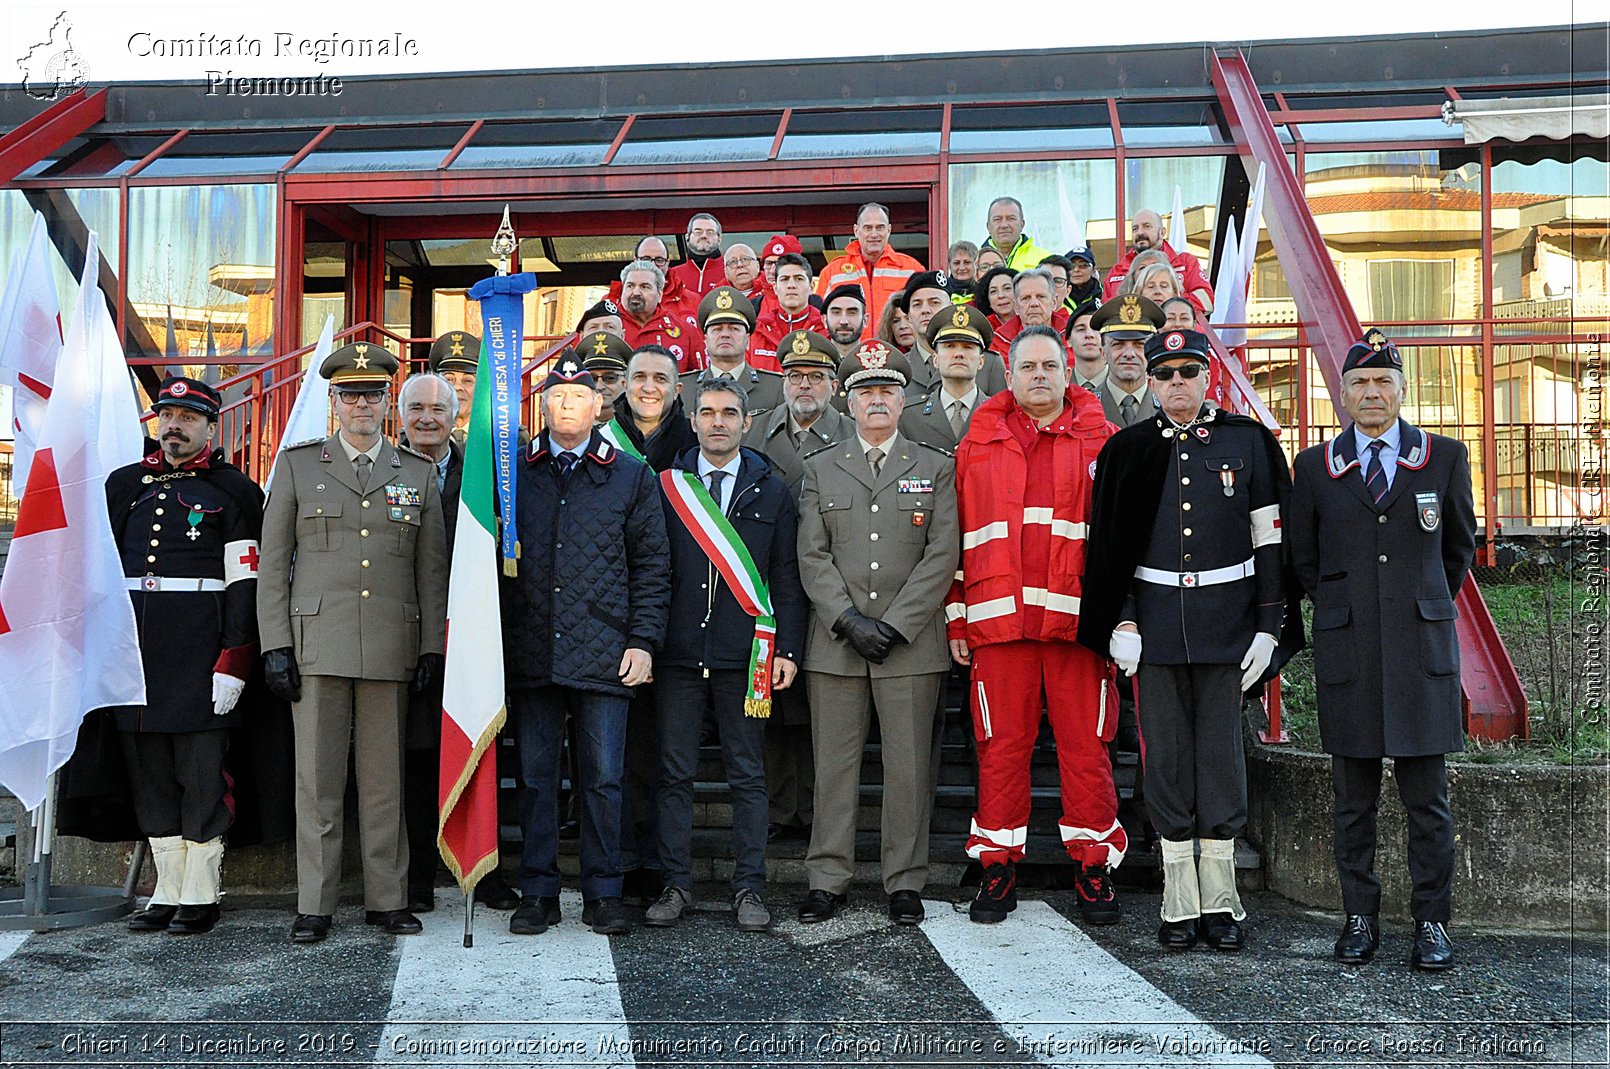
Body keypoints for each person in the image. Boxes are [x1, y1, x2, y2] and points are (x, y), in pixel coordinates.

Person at [1079, 328, 1296, 953]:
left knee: (1222, 758)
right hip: (1156, 624)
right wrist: (1121, 618)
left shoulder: (1248, 443)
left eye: (1188, 373)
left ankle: (1220, 899)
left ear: (1208, 379)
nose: (1177, 383)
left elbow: (1271, 543)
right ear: (1150, 380)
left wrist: (1268, 622)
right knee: (1166, 757)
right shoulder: (1128, 450)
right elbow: (1110, 548)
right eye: (1166, 374)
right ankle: (1179, 897)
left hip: (1228, 622)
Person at [1289, 329, 1476, 973]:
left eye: (1383, 383)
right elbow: (1304, 561)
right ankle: (1359, 917)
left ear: (1402, 390)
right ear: (1342, 395)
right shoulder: (1314, 468)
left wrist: (1414, 603)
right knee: (1352, 802)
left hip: (1421, 651)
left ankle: (1431, 923)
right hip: (1352, 654)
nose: (1372, 394)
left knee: (1428, 804)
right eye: (1360, 384)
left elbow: (1457, 551)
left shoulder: (1444, 458)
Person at [257, 342, 447, 944]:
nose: (361, 404)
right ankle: (314, 903)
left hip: (391, 645)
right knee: (316, 780)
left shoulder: (415, 473)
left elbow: (430, 570)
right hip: (316, 646)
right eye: (349, 395)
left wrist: (431, 647)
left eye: (372, 394)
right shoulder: (296, 466)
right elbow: (273, 566)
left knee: (384, 780)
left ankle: (387, 899)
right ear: (334, 403)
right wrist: (274, 644)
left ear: (388, 401)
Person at [945, 328, 1126, 926]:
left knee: (1086, 751)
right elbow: (954, 537)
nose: (1040, 376)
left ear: (1068, 369)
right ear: (1010, 373)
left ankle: (1093, 867)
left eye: (1051, 365)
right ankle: (997, 867)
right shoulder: (977, 443)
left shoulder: (1105, 442)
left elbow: (1124, 541)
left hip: (1079, 628)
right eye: (1029, 367)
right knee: (999, 750)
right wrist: (956, 618)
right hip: (999, 628)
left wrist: (1119, 620)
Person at [500, 353, 671, 937]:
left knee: (603, 779)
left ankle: (603, 891)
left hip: (605, 650)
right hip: (533, 648)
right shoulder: (514, 472)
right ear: (541, 406)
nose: (567, 405)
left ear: (600, 406)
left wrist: (644, 642)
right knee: (536, 777)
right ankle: (539, 891)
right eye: (556, 397)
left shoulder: (630, 474)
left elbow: (652, 567)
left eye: (578, 396)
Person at [795, 342, 959, 926]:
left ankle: (905, 880)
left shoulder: (935, 466)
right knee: (833, 766)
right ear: (850, 400)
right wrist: (848, 620)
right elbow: (811, 556)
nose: (877, 400)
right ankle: (828, 877)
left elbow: (942, 555)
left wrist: (892, 624)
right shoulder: (820, 467)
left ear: (904, 397)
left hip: (909, 644)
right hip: (837, 642)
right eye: (866, 391)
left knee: (909, 767)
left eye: (887, 390)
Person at [647, 379, 808, 931]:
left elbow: (787, 576)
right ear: (691, 421)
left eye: (730, 413)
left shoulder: (772, 488)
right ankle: (674, 884)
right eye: (708, 412)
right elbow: (649, 569)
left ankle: (749, 889)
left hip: (747, 657)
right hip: (677, 654)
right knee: (672, 775)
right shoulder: (665, 486)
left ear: (746, 422)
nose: (718, 422)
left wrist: (787, 647)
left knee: (747, 775)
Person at [106, 376, 263, 935]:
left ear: (210, 426)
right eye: (167, 415)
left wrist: (235, 658)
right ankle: (167, 889)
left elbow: (246, 582)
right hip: (133, 653)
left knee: (201, 774)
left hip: (199, 652)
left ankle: (201, 889)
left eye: (188, 417)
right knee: (147, 773)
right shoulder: (124, 485)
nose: (175, 425)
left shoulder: (233, 492)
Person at [395, 373, 522, 915]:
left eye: (438, 409)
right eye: (416, 408)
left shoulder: (486, 474)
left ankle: (486, 870)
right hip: (406, 638)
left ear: (456, 416)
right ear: (399, 415)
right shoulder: (383, 471)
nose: (427, 418)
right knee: (418, 760)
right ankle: (418, 875)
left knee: (483, 747)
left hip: (477, 636)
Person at [742, 330, 851, 842]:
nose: (803, 385)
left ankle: (814, 809)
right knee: (772, 702)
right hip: (766, 585)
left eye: (815, 377)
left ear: (833, 384)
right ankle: (778, 807)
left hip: (833, 585)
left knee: (820, 708)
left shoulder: (851, 433)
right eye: (794, 376)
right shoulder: (756, 431)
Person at [814, 203, 924, 340]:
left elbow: (923, 317)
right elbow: (818, 319)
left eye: (880, 228)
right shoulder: (832, 272)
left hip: (897, 355)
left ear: (889, 230)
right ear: (856, 230)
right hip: (849, 355)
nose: (874, 234)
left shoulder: (911, 269)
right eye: (868, 228)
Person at [900, 304, 997, 450]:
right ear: (935, 359)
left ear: (981, 361)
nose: (959, 354)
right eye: (950, 346)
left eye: (968, 347)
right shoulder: (908, 416)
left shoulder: (998, 414)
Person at [903, 272, 1007, 402]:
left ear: (951, 307)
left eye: (934, 302)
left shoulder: (990, 363)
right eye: (917, 304)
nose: (925, 310)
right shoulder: (900, 366)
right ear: (908, 316)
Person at [681, 286, 785, 412]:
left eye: (734, 329)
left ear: (748, 340)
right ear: (706, 340)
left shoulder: (774, 388)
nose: (725, 335)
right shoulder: (684, 388)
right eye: (717, 329)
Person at [1102, 208, 1214, 315]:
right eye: (1135, 229)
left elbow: (1207, 302)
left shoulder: (1185, 262)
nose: (1140, 232)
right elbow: (1106, 311)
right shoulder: (1118, 270)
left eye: (1147, 226)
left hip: (1177, 331)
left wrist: (1165, 303)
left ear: (1162, 232)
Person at [616, 346, 697, 472]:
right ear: (625, 386)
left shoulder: (696, 443)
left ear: (677, 390)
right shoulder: (602, 439)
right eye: (640, 377)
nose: (649, 388)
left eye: (660, 379)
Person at [618, 257, 706, 373]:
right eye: (630, 286)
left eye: (645, 287)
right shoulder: (605, 325)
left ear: (660, 293)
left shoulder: (686, 331)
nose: (636, 292)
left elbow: (700, 378)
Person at [1091, 295, 1165, 427]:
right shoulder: (1084, 406)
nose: (1129, 354)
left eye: (1139, 344)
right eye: (1118, 344)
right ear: (1103, 353)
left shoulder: (1168, 404)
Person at [751, 254, 824, 369]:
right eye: (784, 279)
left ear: (811, 287)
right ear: (775, 288)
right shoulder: (757, 331)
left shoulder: (825, 330)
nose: (791, 285)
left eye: (799, 279)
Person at [989, 267, 1070, 358]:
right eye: (1026, 298)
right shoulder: (999, 341)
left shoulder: (1071, 335)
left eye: (1041, 297)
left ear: (1054, 302)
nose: (1034, 304)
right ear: (1016, 306)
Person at [978, 196, 1054, 270]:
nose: (1004, 225)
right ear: (988, 226)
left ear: (1022, 224)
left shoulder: (1046, 260)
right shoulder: (974, 261)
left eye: (1011, 218)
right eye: (997, 219)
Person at [428, 332, 479, 435]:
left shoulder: (502, 440)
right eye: (449, 380)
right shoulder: (419, 436)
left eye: (467, 380)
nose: (457, 387)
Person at [580, 330, 636, 425]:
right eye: (591, 379)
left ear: (626, 383)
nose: (599, 387)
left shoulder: (641, 430)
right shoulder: (568, 431)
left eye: (609, 378)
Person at [667, 213, 726, 297]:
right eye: (698, 232)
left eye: (710, 232)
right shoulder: (672, 275)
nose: (704, 236)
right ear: (687, 237)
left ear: (719, 239)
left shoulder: (731, 272)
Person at [1065, 305, 1107, 392]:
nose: (1089, 335)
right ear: (1068, 340)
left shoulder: (1123, 382)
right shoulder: (1059, 383)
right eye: (1081, 329)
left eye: (1097, 329)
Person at [821, 284, 868, 361]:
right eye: (836, 313)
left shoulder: (875, 364)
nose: (843, 321)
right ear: (824, 320)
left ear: (865, 320)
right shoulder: (816, 363)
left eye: (852, 313)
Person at [723, 243, 766, 311]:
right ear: (725, 272)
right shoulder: (717, 295)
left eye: (745, 259)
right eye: (733, 262)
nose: (739, 265)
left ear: (757, 266)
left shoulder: (771, 290)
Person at [1066, 245, 1101, 312]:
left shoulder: (1103, 295)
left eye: (1083, 265)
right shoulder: (1058, 295)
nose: (1076, 270)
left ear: (1094, 270)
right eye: (1071, 265)